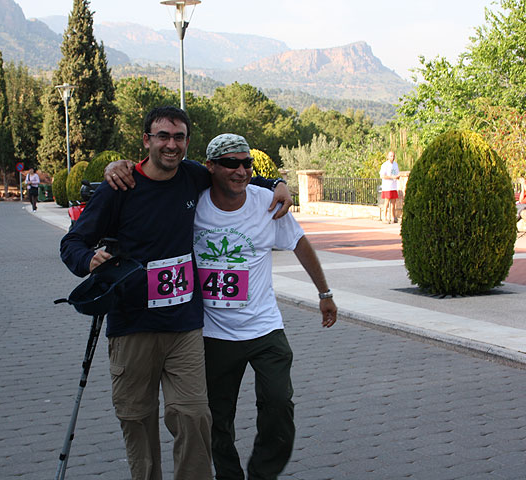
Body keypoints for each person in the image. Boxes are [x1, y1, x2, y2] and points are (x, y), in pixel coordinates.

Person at [60, 106, 293, 480]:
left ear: (187, 142)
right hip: (133, 325)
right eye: (163, 136)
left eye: (179, 137)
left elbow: (234, 175)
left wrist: (274, 183)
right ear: (146, 140)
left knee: (194, 416)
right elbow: (72, 241)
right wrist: (88, 260)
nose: (172, 144)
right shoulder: (119, 187)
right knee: (137, 418)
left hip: (184, 326)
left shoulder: (191, 176)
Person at [193, 134, 337, 480]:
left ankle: (262, 474)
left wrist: (324, 294)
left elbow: (299, 244)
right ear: (211, 166)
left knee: (279, 405)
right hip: (213, 334)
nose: (241, 170)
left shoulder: (267, 203)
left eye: (247, 164)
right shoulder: (194, 203)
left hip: (264, 328)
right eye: (231, 163)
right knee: (216, 416)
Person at [379, 151, 400, 224]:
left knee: (394, 203)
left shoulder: (395, 165)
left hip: (394, 186)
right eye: (391, 156)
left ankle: (393, 217)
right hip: (387, 186)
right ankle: (384, 217)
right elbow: (382, 176)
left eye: (393, 156)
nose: (392, 157)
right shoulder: (385, 165)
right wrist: (391, 177)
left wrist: (397, 177)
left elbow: (397, 173)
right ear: (388, 157)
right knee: (387, 202)